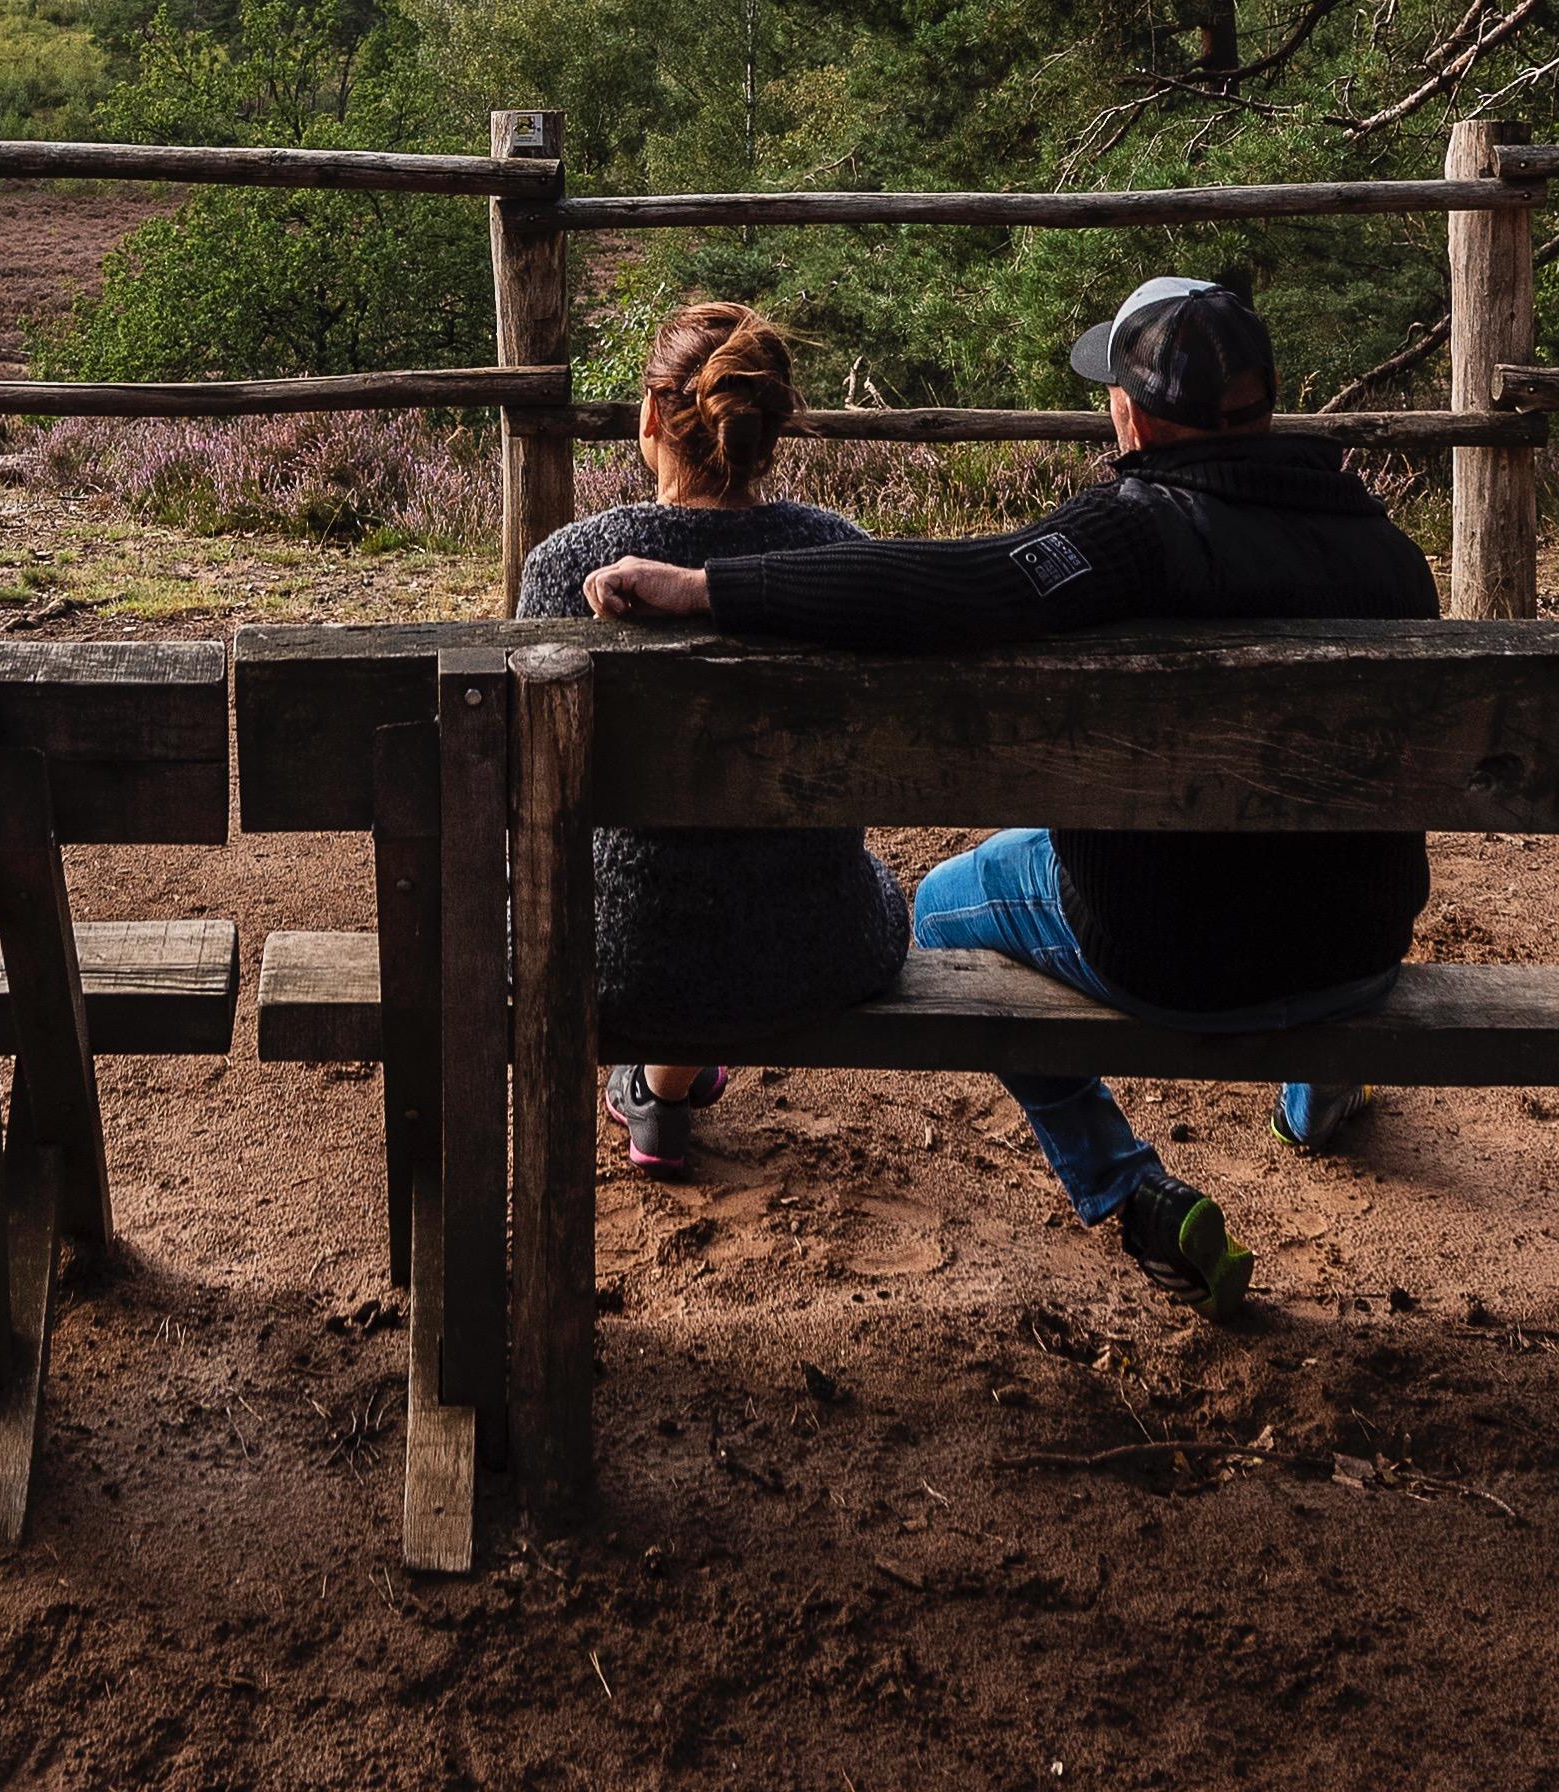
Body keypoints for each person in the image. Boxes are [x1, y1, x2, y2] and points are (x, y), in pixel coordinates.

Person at [583, 275, 1433, 1313]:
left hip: (1174, 957)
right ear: (1264, 403)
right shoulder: (1385, 553)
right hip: (1354, 954)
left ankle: (1125, 1187)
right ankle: (1316, 1089)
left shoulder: (1135, 537)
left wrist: (708, 588)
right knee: (1293, 850)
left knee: (941, 905)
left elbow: (958, 586)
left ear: (1128, 412)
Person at [510, 301, 903, 1173]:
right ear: (772, 430)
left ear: (650, 418)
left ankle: (657, 1083)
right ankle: (663, 1082)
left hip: (613, 957)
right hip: (818, 948)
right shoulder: (841, 556)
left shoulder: (566, 566)